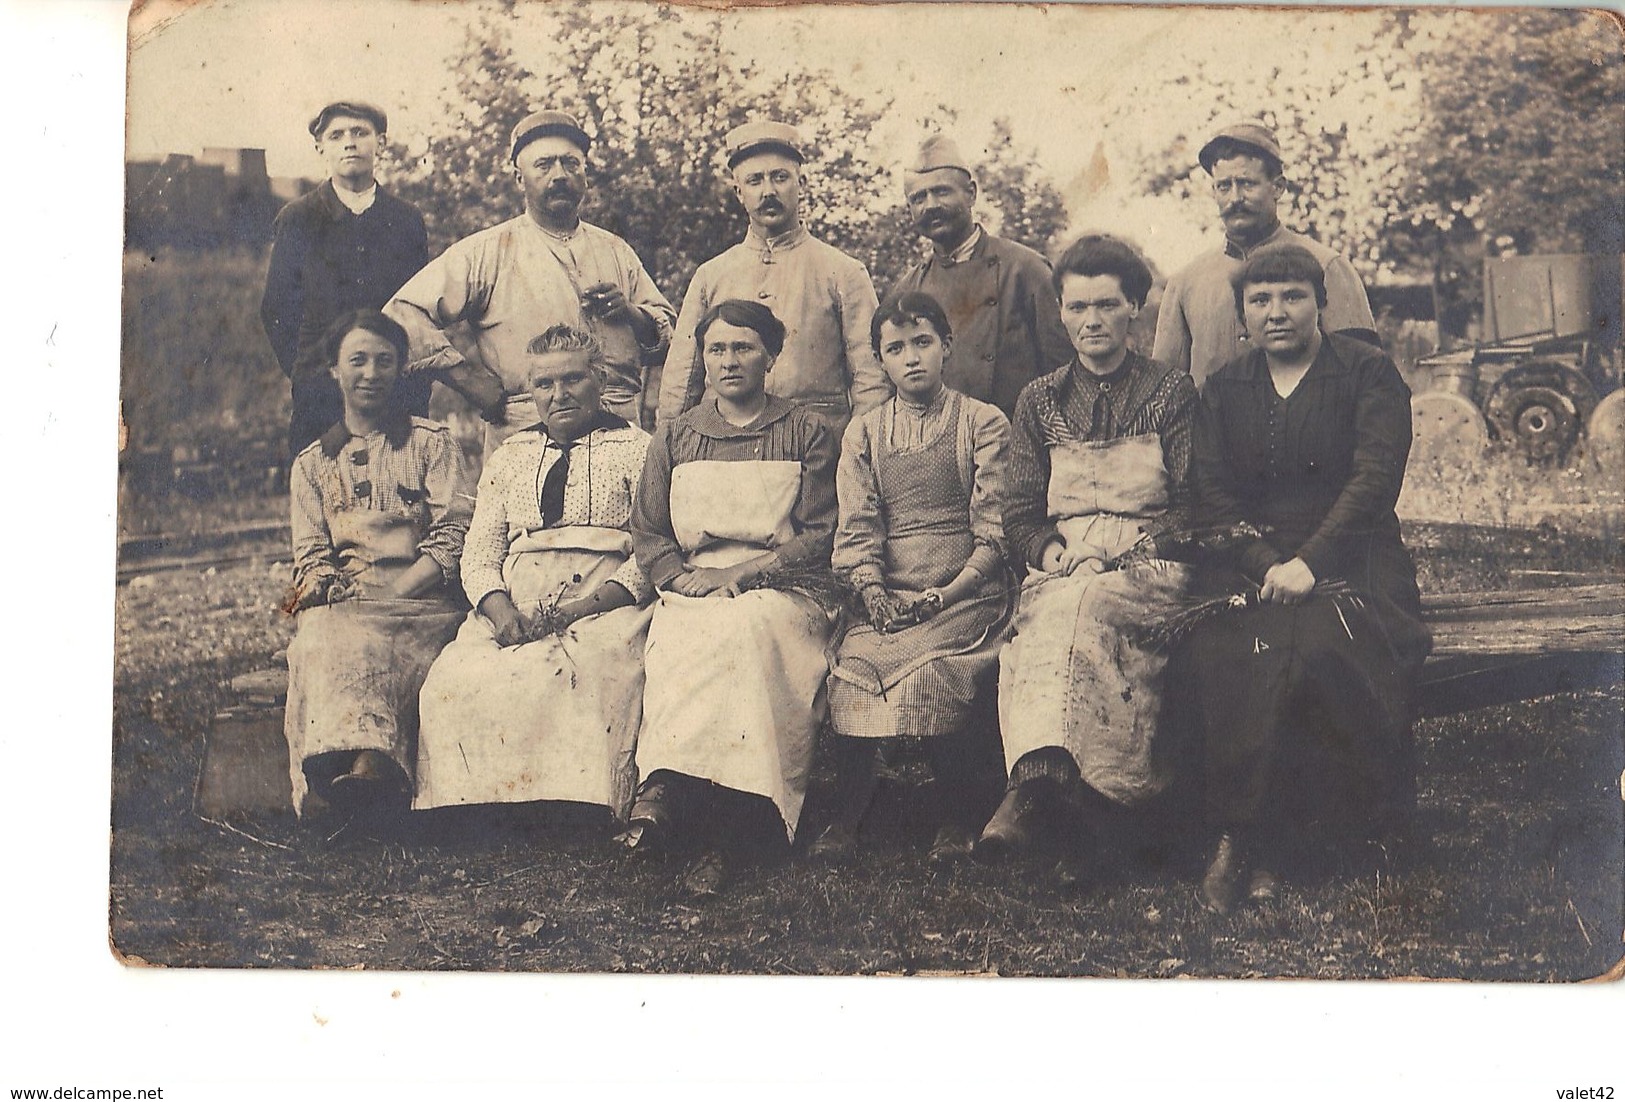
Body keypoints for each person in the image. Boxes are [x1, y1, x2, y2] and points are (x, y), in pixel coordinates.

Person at [1188, 244, 1430, 914]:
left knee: (1319, 649)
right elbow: (1209, 496)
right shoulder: (1223, 387)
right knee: (1224, 650)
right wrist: (1266, 564)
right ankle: (1241, 839)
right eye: (1259, 300)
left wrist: (1310, 564)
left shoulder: (1369, 375)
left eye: (1292, 295)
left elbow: (1373, 483)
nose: (1277, 312)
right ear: (1241, 314)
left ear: (1320, 303)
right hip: (1254, 563)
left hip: (1354, 560)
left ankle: (1278, 845)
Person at [978, 235, 1199, 880]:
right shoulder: (1039, 401)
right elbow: (1019, 511)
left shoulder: (1172, 392)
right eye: (1077, 307)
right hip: (1065, 560)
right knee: (1056, 613)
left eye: (1107, 305)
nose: (1091, 321)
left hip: (1151, 563)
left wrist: (1136, 552)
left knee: (1089, 607)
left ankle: (1059, 797)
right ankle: (1063, 800)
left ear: (1136, 306)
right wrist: (1057, 553)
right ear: (1062, 312)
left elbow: (1193, 505)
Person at [628, 300, 840, 894]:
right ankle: (670, 791)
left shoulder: (806, 431)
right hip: (693, 582)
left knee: (747, 632)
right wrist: (674, 578)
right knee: (682, 634)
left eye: (744, 347)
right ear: (701, 357)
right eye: (717, 349)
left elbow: (822, 532)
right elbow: (648, 529)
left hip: (783, 586)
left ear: (771, 356)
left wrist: (745, 574)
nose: (729, 361)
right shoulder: (676, 434)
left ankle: (740, 818)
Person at [413, 325, 653, 818]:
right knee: (456, 676)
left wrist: (585, 608)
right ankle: (476, 807)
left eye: (573, 380)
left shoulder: (639, 449)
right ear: (531, 391)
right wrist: (501, 614)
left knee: (586, 670)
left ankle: (572, 805)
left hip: (604, 601)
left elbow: (651, 551)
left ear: (600, 379)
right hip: (518, 600)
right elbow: (479, 554)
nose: (559, 395)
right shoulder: (510, 455)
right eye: (544, 384)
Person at [815, 291, 1014, 864]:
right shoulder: (866, 432)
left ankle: (954, 817)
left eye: (923, 342)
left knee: (931, 668)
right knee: (856, 666)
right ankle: (848, 815)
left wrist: (947, 592)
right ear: (880, 360)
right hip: (888, 594)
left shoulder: (982, 422)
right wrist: (873, 593)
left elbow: (994, 531)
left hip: (965, 592)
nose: (912, 358)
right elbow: (857, 527)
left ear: (946, 347)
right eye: (895, 348)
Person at [386, 110, 675, 451]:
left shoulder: (614, 249)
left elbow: (672, 339)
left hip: (620, 434)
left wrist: (630, 313)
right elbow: (400, 314)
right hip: (527, 435)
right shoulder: (488, 250)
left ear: (585, 174)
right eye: (544, 165)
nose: (560, 175)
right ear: (519, 178)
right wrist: (468, 379)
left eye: (570, 164)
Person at [283, 310, 472, 820]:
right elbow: (311, 557)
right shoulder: (312, 465)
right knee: (319, 636)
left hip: (423, 602)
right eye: (358, 361)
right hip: (351, 603)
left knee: (390, 645)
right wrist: (327, 587)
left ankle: (370, 771)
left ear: (402, 368)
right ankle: (335, 772)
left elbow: (455, 532)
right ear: (335, 371)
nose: (370, 374)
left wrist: (402, 590)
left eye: (384, 361)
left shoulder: (431, 445)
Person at [656, 120, 890, 436]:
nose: (769, 191)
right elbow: (682, 379)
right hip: (727, 448)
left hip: (817, 450)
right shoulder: (711, 276)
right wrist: (671, 446)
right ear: (739, 192)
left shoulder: (844, 272)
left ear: (801, 183)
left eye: (780, 177)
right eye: (755, 181)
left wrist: (855, 455)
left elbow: (871, 381)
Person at [261, 100, 431, 455]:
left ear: (380, 143)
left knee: (399, 495)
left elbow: (419, 308)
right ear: (321, 147)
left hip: (395, 390)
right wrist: (309, 370)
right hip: (321, 395)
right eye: (336, 135)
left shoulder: (405, 220)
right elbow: (278, 310)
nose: (349, 143)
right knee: (323, 498)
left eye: (360, 132)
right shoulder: (298, 219)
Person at [1152, 122, 1378, 388]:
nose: (1235, 198)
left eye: (1247, 184)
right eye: (1224, 186)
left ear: (1278, 187)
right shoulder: (1186, 282)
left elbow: (1367, 379)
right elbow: (1163, 390)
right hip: (1212, 429)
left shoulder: (1327, 266)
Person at [891, 134, 1073, 418]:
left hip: (1020, 445)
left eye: (942, 192)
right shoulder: (907, 291)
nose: (930, 205)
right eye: (918, 198)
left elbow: (1065, 373)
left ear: (971, 193)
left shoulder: (1025, 269)